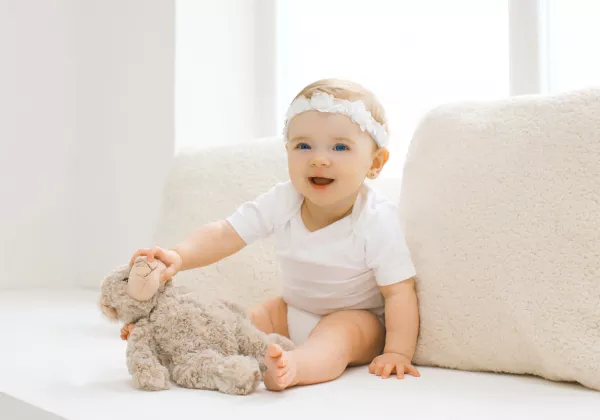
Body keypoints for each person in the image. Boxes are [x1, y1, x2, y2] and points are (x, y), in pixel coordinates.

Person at [125, 78, 421, 391]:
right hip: (291, 310)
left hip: (358, 319)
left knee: (338, 337)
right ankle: (171, 341)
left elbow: (399, 291)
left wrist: (398, 352)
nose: (319, 158)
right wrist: (179, 256)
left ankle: (294, 368)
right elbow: (226, 233)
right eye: (303, 146)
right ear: (288, 150)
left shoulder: (376, 219)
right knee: (241, 321)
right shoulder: (284, 200)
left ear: (375, 163)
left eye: (340, 147)